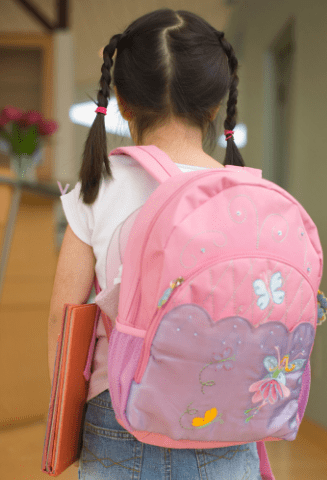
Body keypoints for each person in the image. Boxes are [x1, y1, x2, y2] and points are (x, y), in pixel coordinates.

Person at [48, 9, 262, 480]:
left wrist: (67, 424)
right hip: (225, 416)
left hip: (120, 415)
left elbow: (65, 321)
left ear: (121, 101)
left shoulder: (96, 188)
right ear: (214, 105)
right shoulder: (250, 195)